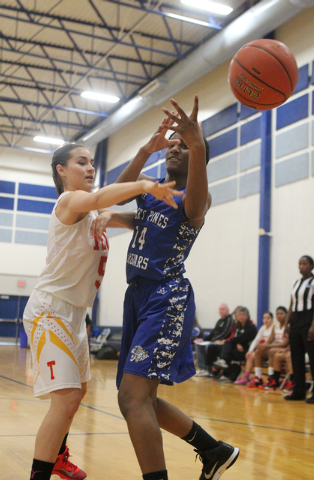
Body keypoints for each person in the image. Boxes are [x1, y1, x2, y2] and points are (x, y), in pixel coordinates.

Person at [22, 143, 181, 480]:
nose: (90, 168)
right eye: (82, 162)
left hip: (76, 316)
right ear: (62, 170)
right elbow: (98, 199)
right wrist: (144, 184)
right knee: (65, 400)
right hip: (50, 310)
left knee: (74, 397)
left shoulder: (93, 212)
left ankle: (59, 455)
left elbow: (127, 215)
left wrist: (119, 211)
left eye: (93, 162)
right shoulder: (69, 201)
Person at [115, 96, 239, 480]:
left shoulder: (192, 197)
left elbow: (197, 210)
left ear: (197, 157)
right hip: (136, 296)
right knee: (138, 400)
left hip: (165, 297)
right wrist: (143, 151)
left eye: (182, 148)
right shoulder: (154, 188)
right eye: (172, 145)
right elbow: (115, 196)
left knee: (132, 400)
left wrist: (197, 142)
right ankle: (213, 449)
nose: (174, 150)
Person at [283, 255, 314, 403]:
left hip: (308, 319)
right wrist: (286, 323)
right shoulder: (295, 283)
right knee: (296, 357)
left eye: (304, 264)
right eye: (299, 264)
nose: (301, 266)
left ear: (311, 266)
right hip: (296, 320)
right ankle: (298, 391)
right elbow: (291, 305)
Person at [213, 306, 257, 382]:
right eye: (239, 315)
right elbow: (237, 339)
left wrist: (235, 342)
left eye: (243, 314)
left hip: (246, 350)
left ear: (247, 315)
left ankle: (228, 373)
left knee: (229, 347)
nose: (241, 316)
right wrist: (237, 344)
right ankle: (223, 372)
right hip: (238, 347)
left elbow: (242, 338)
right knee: (222, 348)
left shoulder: (251, 327)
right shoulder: (238, 326)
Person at [234, 311, 274, 386]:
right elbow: (256, 340)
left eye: (268, 318)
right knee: (250, 355)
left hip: (270, 351)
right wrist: (249, 351)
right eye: (264, 318)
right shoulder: (263, 328)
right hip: (262, 350)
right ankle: (246, 376)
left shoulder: (274, 328)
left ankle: (259, 377)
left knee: (254, 354)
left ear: (272, 319)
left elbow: (272, 342)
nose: (266, 320)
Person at [194, 303, 234, 376]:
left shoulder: (229, 320)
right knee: (198, 345)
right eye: (220, 309)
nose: (221, 311)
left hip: (222, 342)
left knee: (209, 346)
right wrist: (203, 340)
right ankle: (202, 368)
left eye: (223, 309)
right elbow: (213, 333)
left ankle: (209, 369)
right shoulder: (219, 321)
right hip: (214, 341)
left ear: (227, 310)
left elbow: (226, 333)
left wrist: (214, 340)